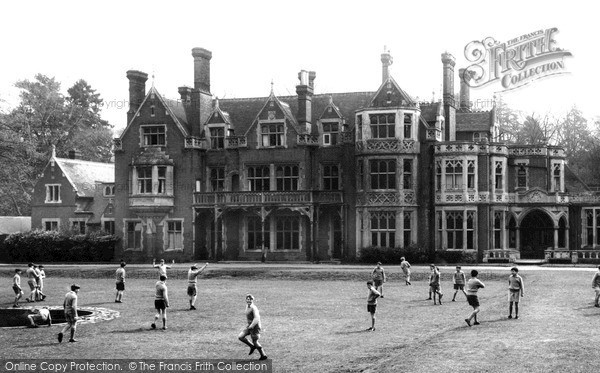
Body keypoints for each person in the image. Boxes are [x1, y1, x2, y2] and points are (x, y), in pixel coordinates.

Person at [238, 294, 268, 360]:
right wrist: (249, 326)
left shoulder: (254, 308)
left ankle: (263, 355)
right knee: (240, 337)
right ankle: (252, 346)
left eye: (250, 299)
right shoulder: (247, 306)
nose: (248, 300)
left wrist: (251, 326)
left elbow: (257, 318)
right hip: (249, 326)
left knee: (255, 341)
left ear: (252, 300)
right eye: (247, 299)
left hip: (255, 327)